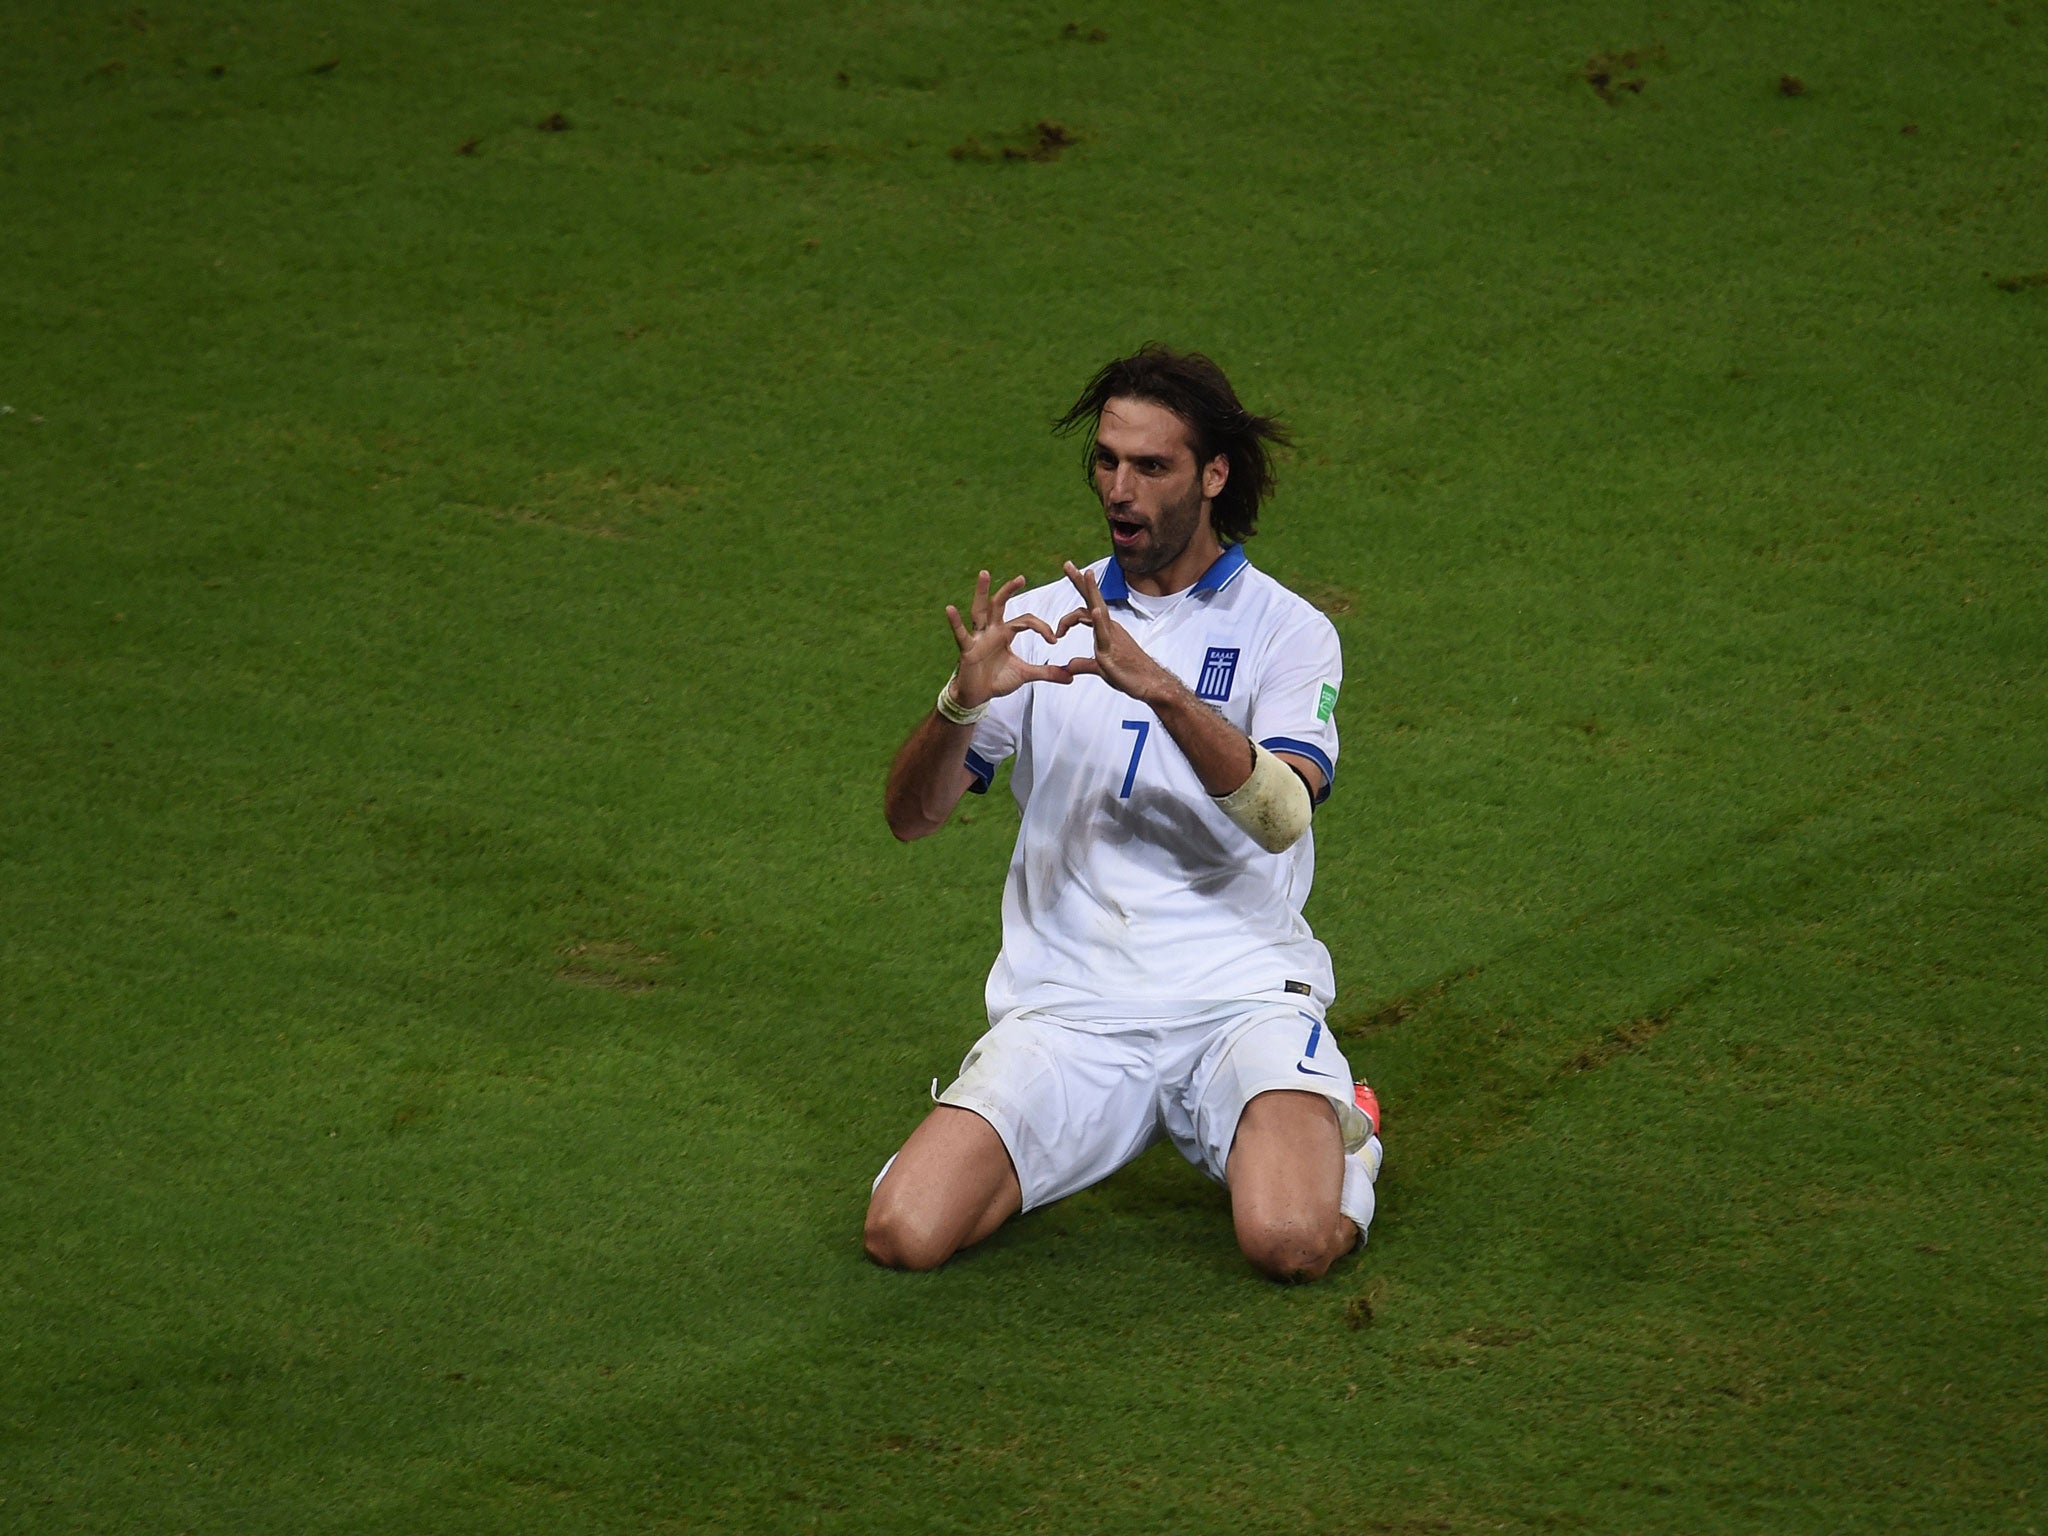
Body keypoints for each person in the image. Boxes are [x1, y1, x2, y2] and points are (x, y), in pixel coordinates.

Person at [865, 345, 1382, 1282]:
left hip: (1238, 999)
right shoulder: (1052, 618)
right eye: (1106, 460)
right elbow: (911, 819)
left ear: (1213, 475)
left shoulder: (1289, 631)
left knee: (1291, 1242)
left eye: (1151, 466)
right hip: (1071, 1011)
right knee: (903, 1233)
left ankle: (1351, 1128)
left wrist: (1168, 694)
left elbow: (1282, 816)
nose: (1119, 487)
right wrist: (960, 704)